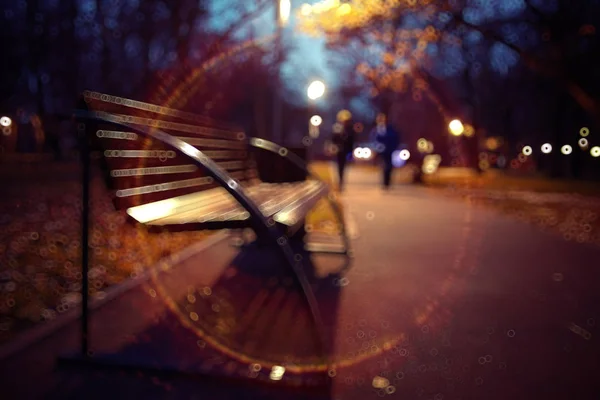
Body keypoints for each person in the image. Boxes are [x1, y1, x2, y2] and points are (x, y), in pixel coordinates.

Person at [374, 115, 400, 189]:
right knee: (384, 167)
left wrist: (393, 147)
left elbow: (395, 138)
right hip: (381, 151)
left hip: (389, 150)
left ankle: (388, 182)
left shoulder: (390, 129)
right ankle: (385, 183)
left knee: (389, 167)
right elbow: (375, 140)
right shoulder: (377, 130)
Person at [332, 112, 356, 191]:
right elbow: (333, 139)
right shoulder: (337, 128)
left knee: (343, 167)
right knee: (339, 167)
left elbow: (352, 141)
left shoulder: (350, 129)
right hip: (339, 151)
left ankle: (341, 182)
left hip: (346, 151)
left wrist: (351, 152)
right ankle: (340, 182)